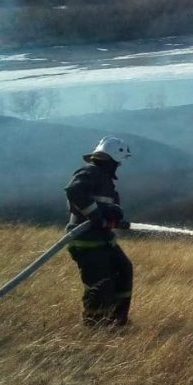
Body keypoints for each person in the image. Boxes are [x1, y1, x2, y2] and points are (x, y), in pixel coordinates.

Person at [65, 136, 134, 327]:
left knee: (124, 270)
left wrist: (116, 216)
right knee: (100, 284)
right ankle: (95, 325)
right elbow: (74, 190)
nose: (119, 165)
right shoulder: (89, 172)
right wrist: (96, 216)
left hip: (104, 240)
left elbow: (111, 205)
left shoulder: (107, 181)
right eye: (119, 161)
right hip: (86, 241)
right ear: (113, 158)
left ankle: (118, 319)